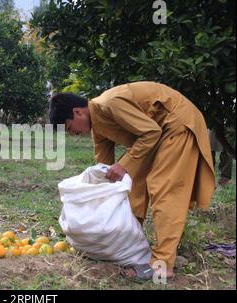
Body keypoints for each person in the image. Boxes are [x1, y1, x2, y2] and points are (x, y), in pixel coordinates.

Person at [49, 81, 215, 281]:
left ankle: (162, 265)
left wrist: (123, 164)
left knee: (165, 190)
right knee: (133, 183)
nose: (72, 134)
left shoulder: (110, 104)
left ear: (78, 112)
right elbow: (104, 168)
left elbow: (151, 132)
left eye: (69, 128)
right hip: (157, 135)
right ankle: (128, 242)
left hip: (177, 125)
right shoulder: (99, 128)